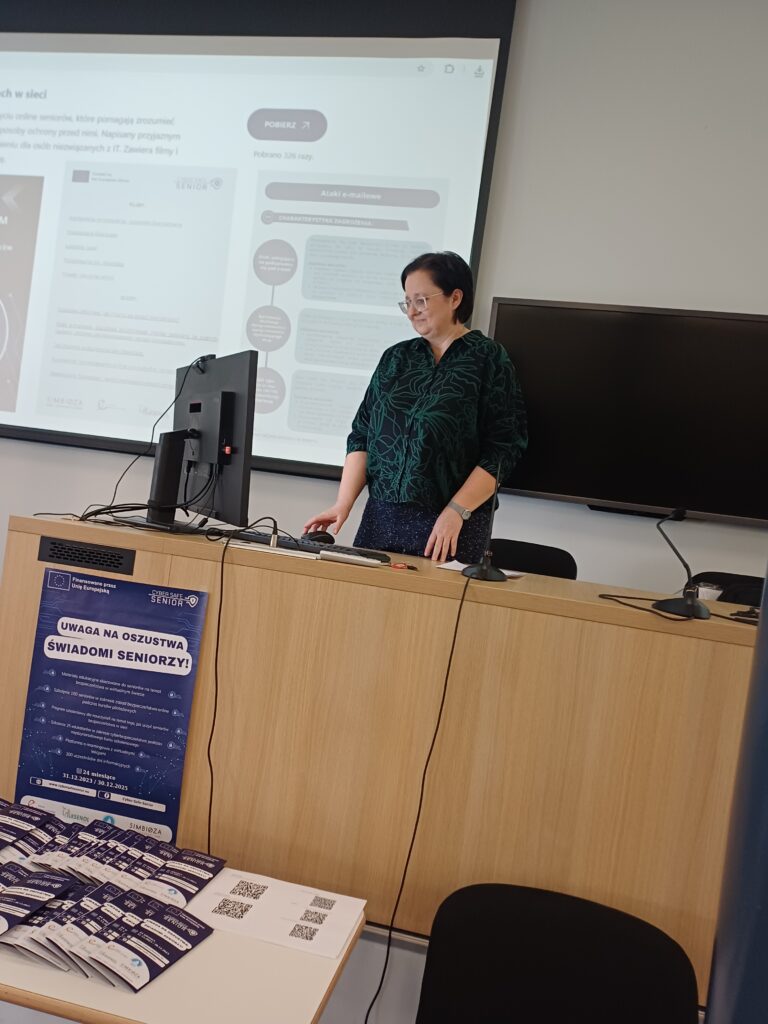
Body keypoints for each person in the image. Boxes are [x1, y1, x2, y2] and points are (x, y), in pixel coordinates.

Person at [304, 251, 527, 562]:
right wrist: (343, 504)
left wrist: (457, 511)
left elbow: (503, 449)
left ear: (455, 298)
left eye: (420, 301)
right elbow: (362, 435)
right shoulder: (395, 358)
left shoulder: (488, 359)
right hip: (381, 519)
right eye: (406, 302)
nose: (411, 312)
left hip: (450, 524)